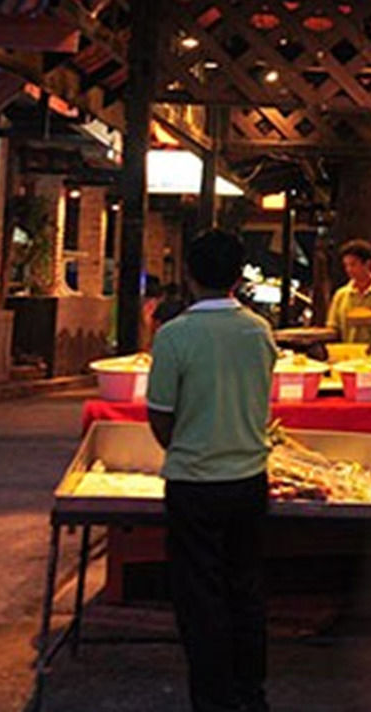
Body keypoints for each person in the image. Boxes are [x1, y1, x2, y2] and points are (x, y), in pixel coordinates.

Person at [145, 229, 279, 712]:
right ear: (238, 276)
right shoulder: (259, 331)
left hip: (193, 484)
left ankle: (213, 700)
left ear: (188, 273)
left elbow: (161, 414)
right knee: (245, 590)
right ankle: (251, 694)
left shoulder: (175, 335)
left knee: (200, 599)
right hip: (249, 480)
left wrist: (186, 444)